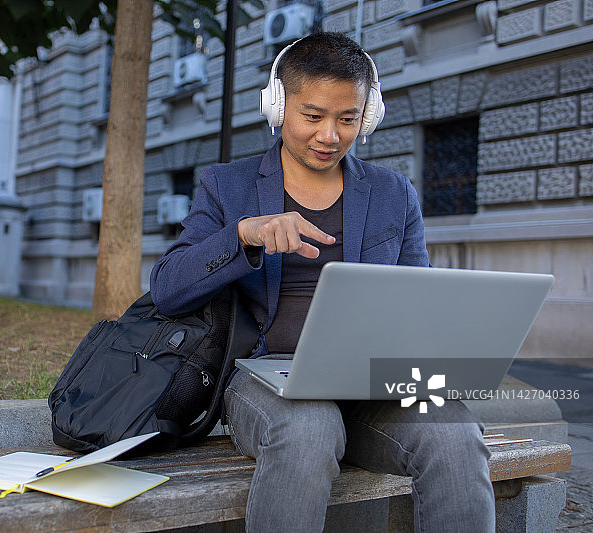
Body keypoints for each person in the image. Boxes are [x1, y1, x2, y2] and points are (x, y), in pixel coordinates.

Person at [150, 32, 495, 532]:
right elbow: (167, 287)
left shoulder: (394, 194)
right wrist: (245, 235)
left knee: (454, 430)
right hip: (265, 379)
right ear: (277, 106)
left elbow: (416, 304)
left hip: (370, 384)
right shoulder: (227, 185)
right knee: (310, 427)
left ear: (368, 116)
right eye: (312, 116)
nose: (329, 135)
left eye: (347, 119)